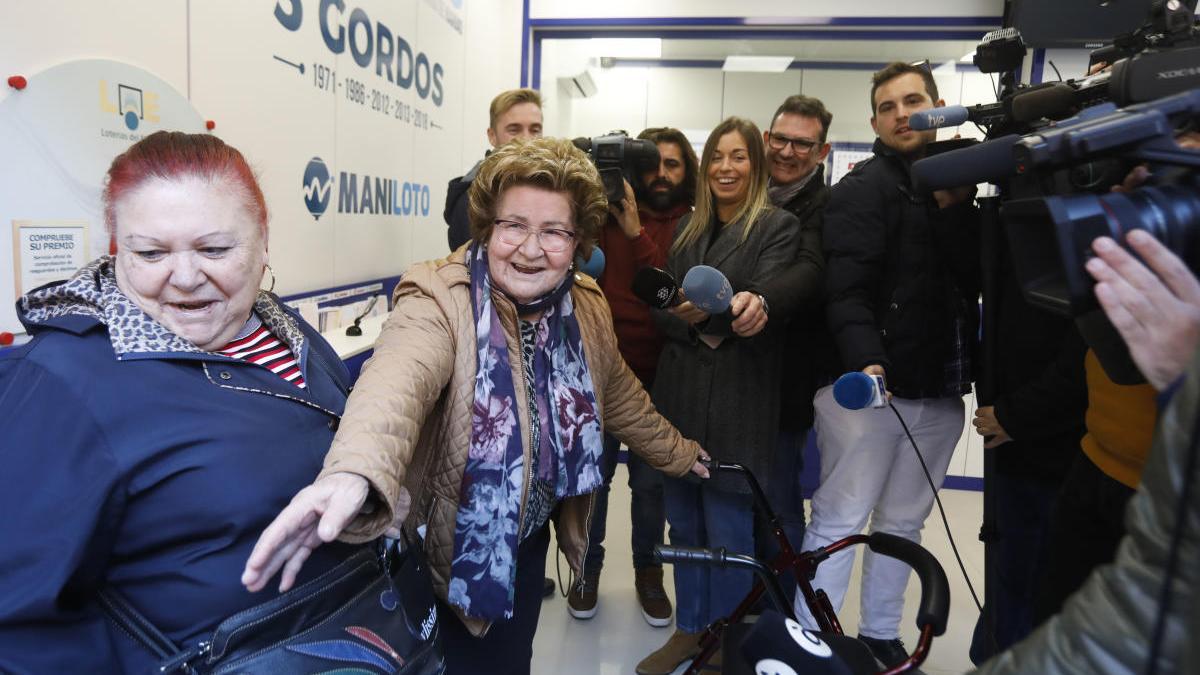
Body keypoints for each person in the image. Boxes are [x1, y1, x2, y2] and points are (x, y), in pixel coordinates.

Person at [241, 137, 710, 675]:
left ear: (579, 240)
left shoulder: (585, 304)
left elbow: (620, 393)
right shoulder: (440, 297)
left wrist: (681, 454)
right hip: (447, 553)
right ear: (487, 227)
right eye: (513, 226)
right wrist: (352, 473)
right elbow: (395, 385)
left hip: (527, 544)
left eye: (554, 231)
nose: (531, 249)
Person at [0, 131, 362, 673]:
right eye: (150, 253)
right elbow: (19, 625)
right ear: (117, 247)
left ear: (264, 240)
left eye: (216, 249)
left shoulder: (280, 325)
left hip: (348, 637)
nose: (187, 278)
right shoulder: (63, 382)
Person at [797, 62, 980, 667]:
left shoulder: (959, 188)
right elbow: (844, 291)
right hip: (866, 395)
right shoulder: (859, 191)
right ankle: (814, 642)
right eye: (888, 107)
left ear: (937, 106)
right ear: (875, 120)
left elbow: (976, 281)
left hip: (939, 392)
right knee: (839, 519)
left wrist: (956, 209)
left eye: (914, 101)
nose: (902, 114)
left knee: (904, 523)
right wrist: (869, 362)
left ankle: (879, 635)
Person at [973, 230, 1199, 674]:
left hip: (1157, 486)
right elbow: (1089, 348)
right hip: (1093, 460)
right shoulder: (1133, 237)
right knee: (1047, 605)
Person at [637, 116, 802, 675]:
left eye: (739, 157)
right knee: (683, 526)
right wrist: (697, 324)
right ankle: (689, 631)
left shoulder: (778, 227)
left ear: (755, 165)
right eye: (717, 157)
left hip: (741, 399)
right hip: (680, 399)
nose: (725, 168)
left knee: (730, 530)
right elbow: (662, 312)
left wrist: (709, 321)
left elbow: (761, 310)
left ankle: (727, 644)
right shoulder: (686, 227)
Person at [570, 127, 698, 627]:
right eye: (653, 164)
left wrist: (634, 232)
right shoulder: (599, 215)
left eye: (673, 164)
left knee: (650, 488)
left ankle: (649, 571)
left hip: (660, 375)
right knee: (592, 480)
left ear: (686, 171)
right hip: (597, 369)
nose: (661, 174)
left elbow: (675, 291)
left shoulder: (692, 223)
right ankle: (585, 570)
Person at [753, 95, 832, 598]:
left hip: (786, 378)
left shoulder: (829, 207)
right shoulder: (742, 194)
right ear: (766, 138)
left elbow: (811, 272)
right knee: (732, 496)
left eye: (802, 143)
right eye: (779, 139)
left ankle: (783, 609)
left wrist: (757, 301)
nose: (787, 151)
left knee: (780, 499)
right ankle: (737, 603)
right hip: (732, 371)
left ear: (821, 152)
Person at [445, 88, 543, 251]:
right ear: (492, 136)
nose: (527, 139)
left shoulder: (550, 188)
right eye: (514, 130)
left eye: (535, 130)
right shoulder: (473, 197)